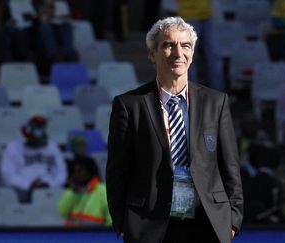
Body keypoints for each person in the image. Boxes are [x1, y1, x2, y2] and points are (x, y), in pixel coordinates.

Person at [106, 17, 243, 243]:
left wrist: (233, 220)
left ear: (192, 54)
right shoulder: (129, 105)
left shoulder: (216, 102)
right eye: (168, 45)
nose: (178, 53)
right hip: (150, 225)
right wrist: (122, 222)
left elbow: (230, 165)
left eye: (185, 45)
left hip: (207, 222)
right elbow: (117, 171)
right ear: (152, 54)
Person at [0, 115, 67, 202]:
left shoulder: (52, 146)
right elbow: (8, 175)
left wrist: (50, 184)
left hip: (50, 188)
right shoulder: (13, 148)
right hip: (23, 189)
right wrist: (28, 185)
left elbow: (62, 172)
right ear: (27, 136)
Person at [176, 0, 225, 91]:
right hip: (189, 16)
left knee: (214, 56)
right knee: (188, 58)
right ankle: (191, 94)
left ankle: (219, 94)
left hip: (207, 15)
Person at [26, 0, 77, 76]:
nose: (52, 9)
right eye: (49, 7)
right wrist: (41, 23)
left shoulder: (56, 27)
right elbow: (32, 45)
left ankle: (64, 59)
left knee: (67, 25)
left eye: (53, 7)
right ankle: (57, 59)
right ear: (40, 8)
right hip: (44, 59)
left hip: (63, 57)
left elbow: (62, 44)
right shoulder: (30, 26)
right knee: (46, 27)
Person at [58, 156, 111, 226]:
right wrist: (74, 193)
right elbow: (62, 211)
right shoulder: (71, 191)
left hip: (95, 235)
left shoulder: (103, 191)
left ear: (89, 172)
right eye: (74, 171)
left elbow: (111, 220)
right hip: (71, 235)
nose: (76, 174)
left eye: (79, 171)